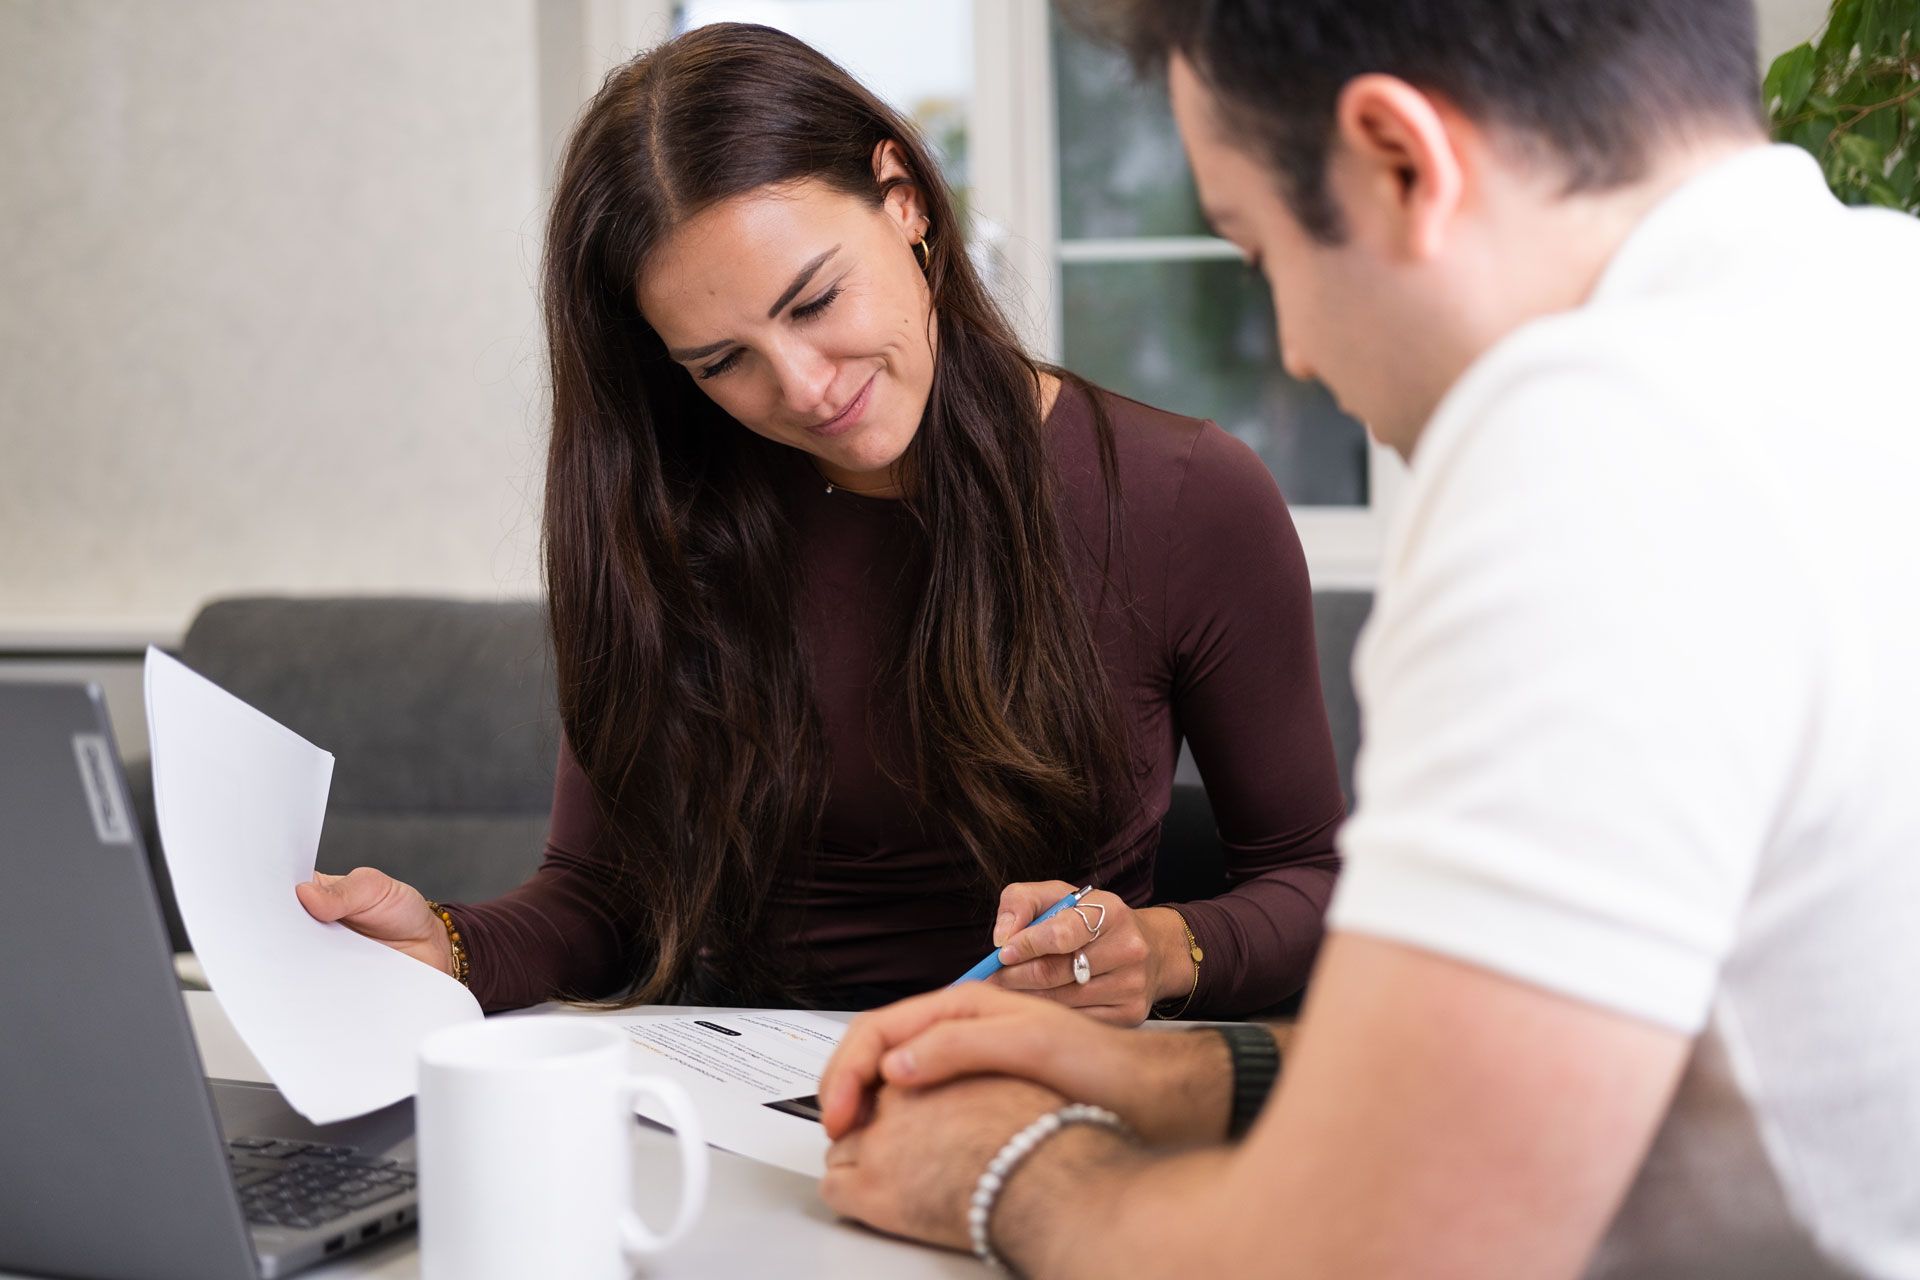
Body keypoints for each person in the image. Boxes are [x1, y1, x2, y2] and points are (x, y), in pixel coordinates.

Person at [814, 2, 1920, 1276]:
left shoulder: (1597, 440)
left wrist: (1004, 1168)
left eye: (1261, 249)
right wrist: (1158, 1078)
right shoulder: (1868, 303)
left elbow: (1370, 1256)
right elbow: (1559, 1063)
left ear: (1399, 160)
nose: (1291, 347)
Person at [294, 22, 1348, 1023]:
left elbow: (1309, 882)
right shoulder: (670, 513)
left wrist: (1161, 949)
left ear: (903, 200)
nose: (800, 387)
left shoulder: (1185, 497)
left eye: (813, 301)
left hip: (1035, 1085)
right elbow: (600, 898)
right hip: (719, 1090)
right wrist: (449, 945)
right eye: (721, 361)